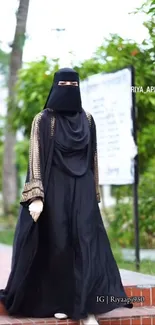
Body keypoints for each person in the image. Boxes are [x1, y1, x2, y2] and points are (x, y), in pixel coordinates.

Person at [0, 68, 132, 324]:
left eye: (73, 83)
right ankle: (62, 303)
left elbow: (92, 158)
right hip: (54, 190)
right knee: (59, 244)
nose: (68, 87)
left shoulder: (88, 120)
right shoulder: (43, 119)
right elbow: (35, 157)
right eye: (63, 83)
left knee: (86, 243)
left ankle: (84, 308)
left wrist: (94, 194)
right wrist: (36, 195)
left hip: (82, 189)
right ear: (55, 86)